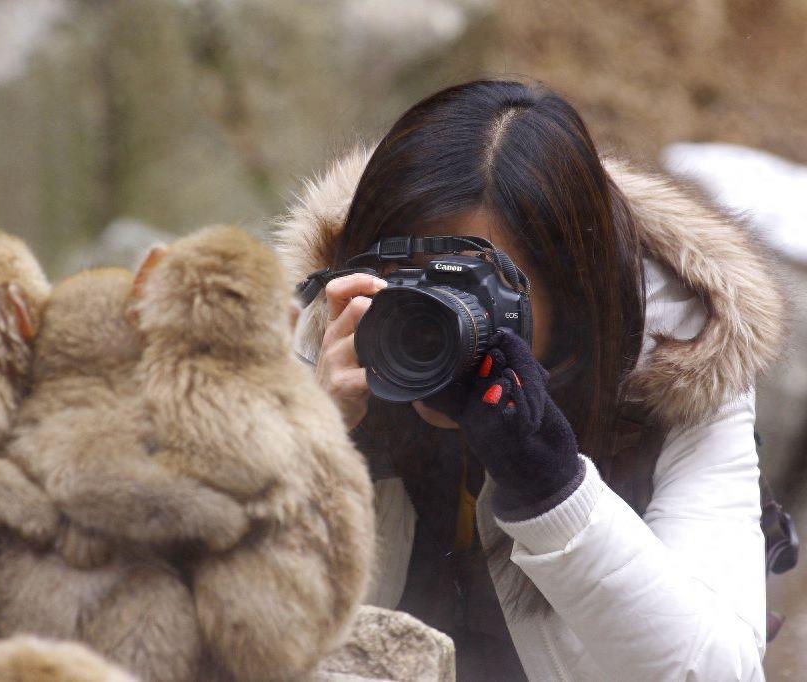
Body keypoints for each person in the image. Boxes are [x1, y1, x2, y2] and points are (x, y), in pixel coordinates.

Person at [273, 80, 784, 680]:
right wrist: (313, 447)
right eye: (407, 285)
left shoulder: (677, 369)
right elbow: (214, 619)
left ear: (575, 298)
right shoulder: (326, 333)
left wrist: (552, 487)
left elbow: (721, 673)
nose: (431, 319)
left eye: (476, 287)